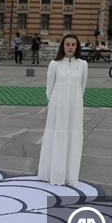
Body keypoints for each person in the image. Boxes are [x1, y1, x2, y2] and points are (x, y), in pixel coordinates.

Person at [38, 34, 88, 186]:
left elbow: (82, 87)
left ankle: (69, 175)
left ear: (77, 46)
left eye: (73, 44)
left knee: (72, 134)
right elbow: (49, 87)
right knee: (57, 134)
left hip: (75, 104)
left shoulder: (83, 64)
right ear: (63, 46)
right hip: (58, 104)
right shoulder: (54, 64)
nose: (70, 47)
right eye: (67, 44)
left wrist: (74, 101)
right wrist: (54, 102)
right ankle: (53, 173)